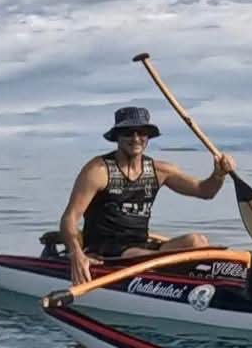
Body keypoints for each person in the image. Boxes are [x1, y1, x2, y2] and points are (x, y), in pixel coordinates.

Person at [60, 106, 237, 285]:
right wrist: (76, 254)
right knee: (144, 256)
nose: (136, 138)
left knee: (197, 242)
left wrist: (218, 175)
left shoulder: (159, 171)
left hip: (141, 246)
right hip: (105, 252)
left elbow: (205, 191)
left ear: (148, 137)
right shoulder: (97, 170)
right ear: (117, 137)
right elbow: (69, 218)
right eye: (129, 133)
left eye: (142, 132)